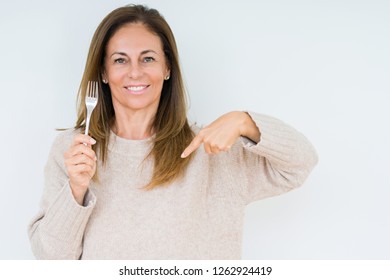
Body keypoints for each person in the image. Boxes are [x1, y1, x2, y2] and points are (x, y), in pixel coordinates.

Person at [28, 4, 318, 259]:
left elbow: (300, 164)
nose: (135, 72)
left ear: (168, 68)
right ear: (103, 73)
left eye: (148, 58)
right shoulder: (73, 149)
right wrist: (76, 191)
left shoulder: (210, 149)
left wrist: (246, 122)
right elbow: (52, 259)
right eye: (120, 60)